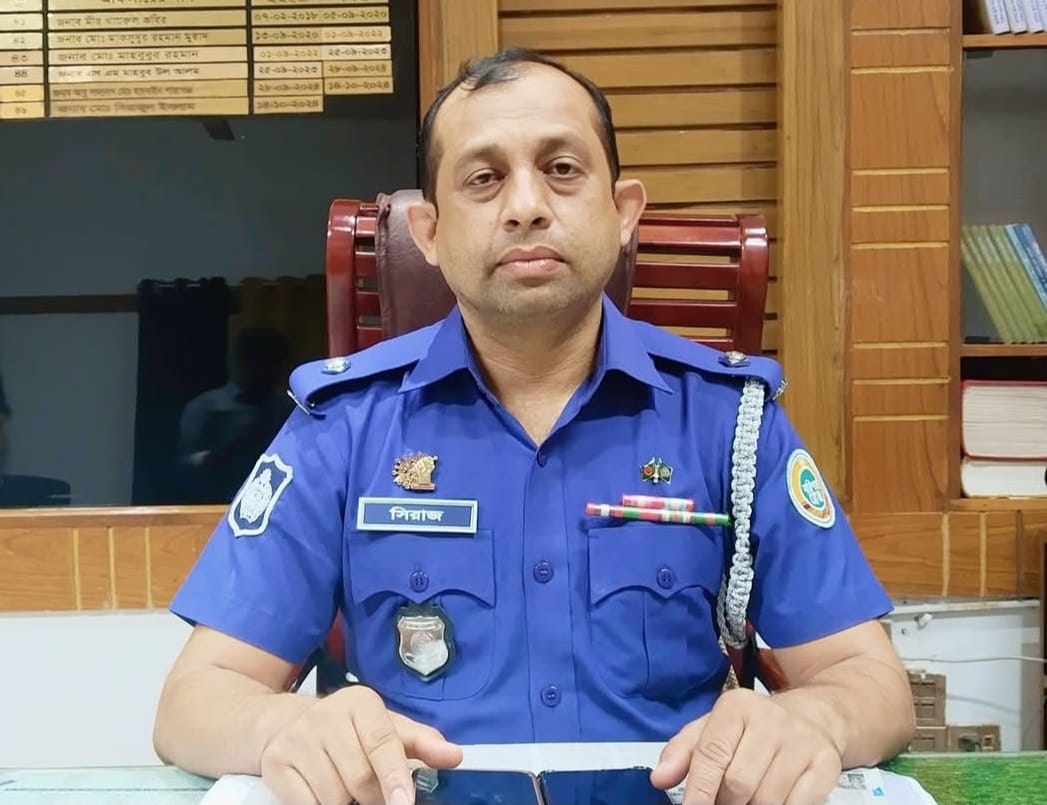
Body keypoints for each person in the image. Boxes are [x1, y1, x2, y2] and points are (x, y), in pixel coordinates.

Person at [153, 47, 916, 805]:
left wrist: (808, 721)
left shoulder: (728, 421)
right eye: (483, 179)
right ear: (429, 232)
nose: (525, 205)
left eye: (561, 168)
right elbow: (194, 703)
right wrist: (288, 728)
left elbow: (870, 683)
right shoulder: (345, 426)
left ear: (623, 212)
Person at [176, 326, 294, 503]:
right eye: (259, 361)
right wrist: (220, 456)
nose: (265, 370)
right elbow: (184, 465)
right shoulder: (206, 406)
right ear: (243, 362)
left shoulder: (290, 411)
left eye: (274, 362)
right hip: (213, 506)